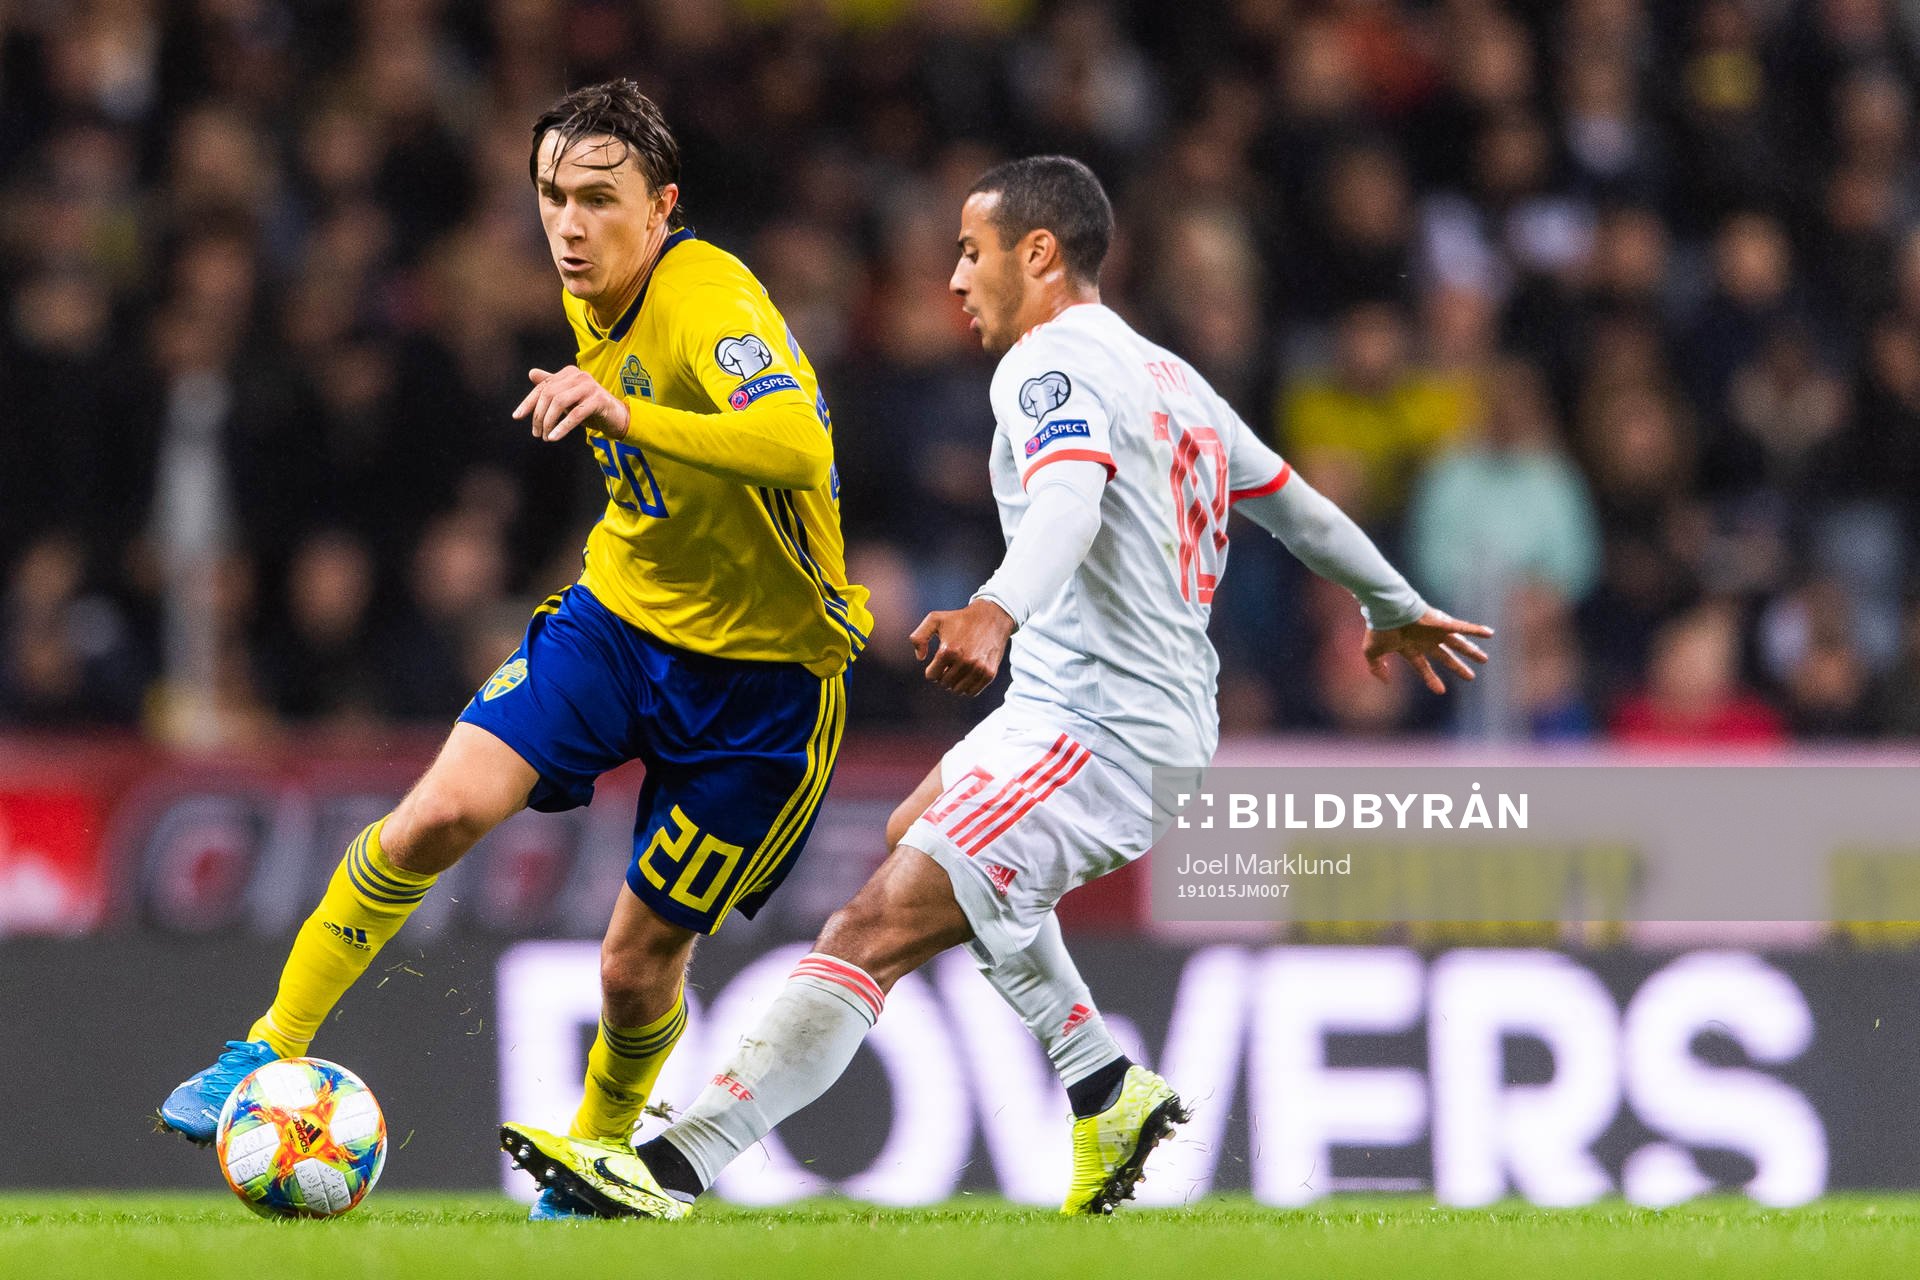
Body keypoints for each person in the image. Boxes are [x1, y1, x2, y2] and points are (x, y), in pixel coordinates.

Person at [501, 156, 1492, 1218]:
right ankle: (1102, 1081)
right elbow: (1293, 504)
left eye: (971, 252)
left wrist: (995, 608)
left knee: (870, 926)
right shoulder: (1172, 376)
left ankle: (671, 1167)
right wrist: (1392, 601)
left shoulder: (1043, 366)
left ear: (1039, 254)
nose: (955, 279)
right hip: (1094, 714)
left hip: (1097, 728)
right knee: (917, 836)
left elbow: (1068, 498)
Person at [158, 81, 871, 1225]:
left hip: (763, 686)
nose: (570, 225)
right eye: (552, 197)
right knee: (434, 813)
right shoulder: (592, 280)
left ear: (664, 205)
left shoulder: (707, 294)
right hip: (618, 621)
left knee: (636, 966)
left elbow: (794, 436)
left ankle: (598, 1151)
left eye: (599, 198)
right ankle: (264, 1048)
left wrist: (629, 416)